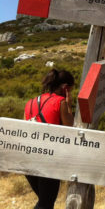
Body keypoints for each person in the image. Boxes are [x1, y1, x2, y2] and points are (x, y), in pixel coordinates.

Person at [23, 68, 75, 209]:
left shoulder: (30, 102)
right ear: (65, 88)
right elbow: (70, 128)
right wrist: (69, 105)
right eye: (71, 89)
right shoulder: (60, 102)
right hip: (47, 160)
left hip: (27, 160)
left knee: (45, 201)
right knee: (46, 203)